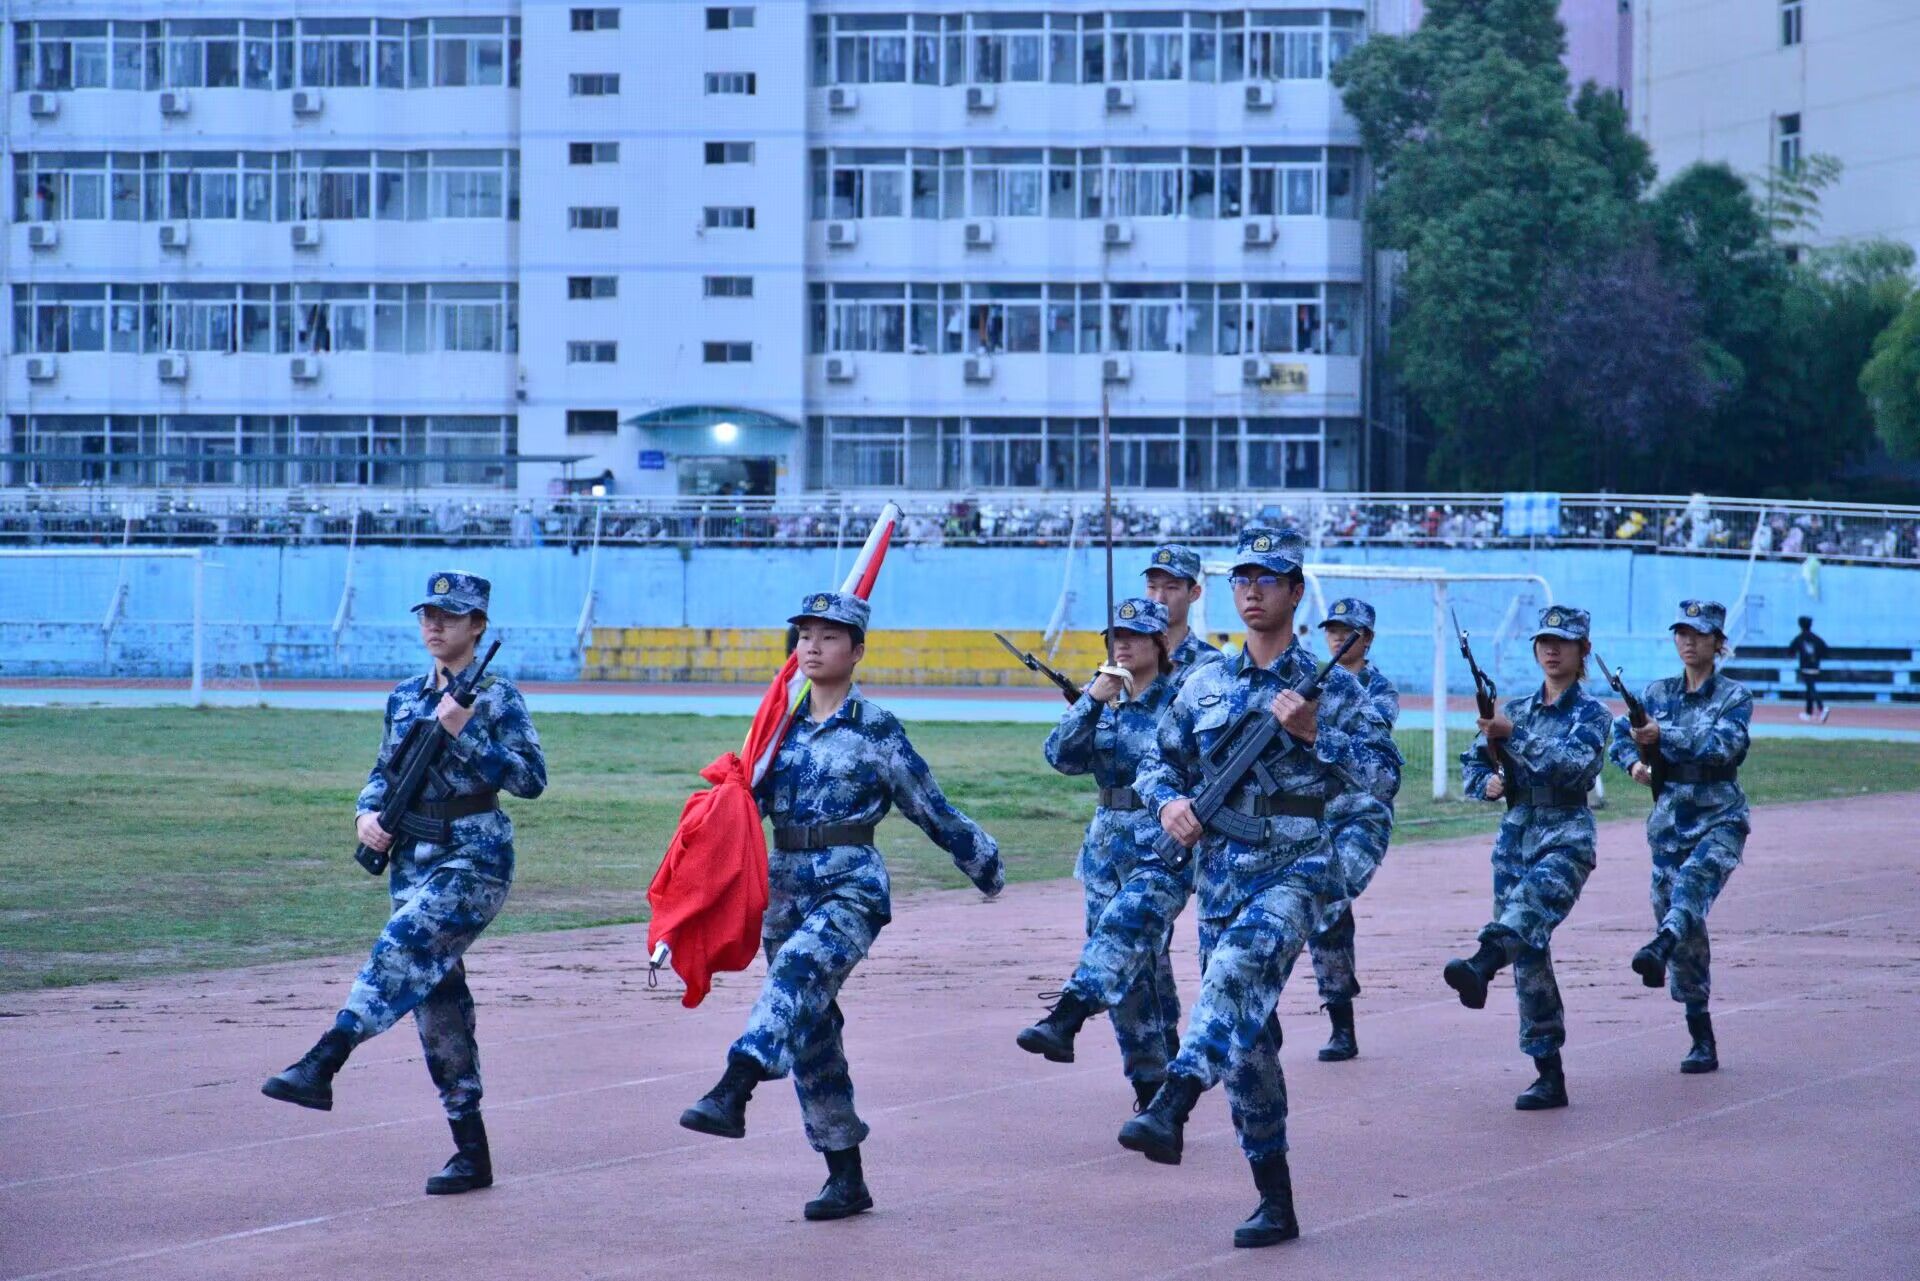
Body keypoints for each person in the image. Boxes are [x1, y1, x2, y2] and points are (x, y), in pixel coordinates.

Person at [677, 591, 1004, 1221]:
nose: (813, 647)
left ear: (856, 652)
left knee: (797, 973)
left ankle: (735, 1084)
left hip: (849, 887)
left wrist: (984, 863)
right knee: (811, 1031)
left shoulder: (875, 729)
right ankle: (845, 1176)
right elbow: (741, 812)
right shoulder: (775, 727)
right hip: (784, 892)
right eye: (805, 635)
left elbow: (928, 806)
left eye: (829, 637)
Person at [1119, 527, 1392, 1249]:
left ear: (1296, 591)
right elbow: (1156, 764)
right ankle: (1275, 1197)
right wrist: (1168, 805)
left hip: (1296, 867)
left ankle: (1173, 1098)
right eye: (1242, 578)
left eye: (1268, 578)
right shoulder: (1206, 681)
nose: (1252, 590)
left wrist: (1314, 734)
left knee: (1234, 974)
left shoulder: (1338, 687)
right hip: (1220, 876)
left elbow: (1383, 776)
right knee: (1245, 1044)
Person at [262, 572, 547, 1195]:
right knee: (437, 1001)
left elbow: (531, 780)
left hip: (475, 857)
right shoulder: (402, 697)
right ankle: (471, 1152)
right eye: (428, 615)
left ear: (478, 626)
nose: (435, 625)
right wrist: (365, 814)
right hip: (412, 857)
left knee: (402, 946)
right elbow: (383, 771)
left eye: (450, 615)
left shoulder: (497, 697)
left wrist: (466, 731)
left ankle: (325, 1057)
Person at [1017, 598, 1190, 1111]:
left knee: (1121, 946)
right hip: (1104, 851)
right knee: (1132, 971)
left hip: (1160, 846)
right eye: (1115, 636)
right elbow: (1060, 756)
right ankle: (1153, 1084)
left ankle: (1069, 1022)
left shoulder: (1180, 704)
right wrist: (1091, 700)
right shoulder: (1103, 700)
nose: (1122, 644)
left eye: (1134, 635)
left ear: (1160, 643)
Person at [1442, 606, 1610, 1112]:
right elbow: (1473, 761)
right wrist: (1487, 783)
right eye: (1543, 641)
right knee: (1529, 953)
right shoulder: (1515, 709)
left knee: (1526, 914)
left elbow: (1573, 767)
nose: (1551, 650)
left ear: (1583, 649)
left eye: (1563, 641)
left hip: (1566, 836)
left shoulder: (1592, 714)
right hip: (1515, 838)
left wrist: (1512, 734)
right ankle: (1548, 1073)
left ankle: (1480, 963)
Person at [1611, 600, 1752, 1074]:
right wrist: (1634, 763)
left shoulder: (1734, 696)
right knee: (1678, 920)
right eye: (1682, 633)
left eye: (1699, 634)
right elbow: (1620, 735)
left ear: (1718, 642)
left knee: (1689, 892)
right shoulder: (1656, 693)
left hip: (1720, 819)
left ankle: (1660, 947)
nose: (1688, 642)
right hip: (1670, 825)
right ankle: (1699, 1031)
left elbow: (1722, 747)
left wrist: (1660, 736)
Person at [1284, 598, 1402, 1062]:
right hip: (1315, 815)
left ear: (1366, 639)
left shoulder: (1378, 690)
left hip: (1363, 815)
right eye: (1332, 629)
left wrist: (1312, 724)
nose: (1337, 637)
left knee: (1328, 898)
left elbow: (1368, 735)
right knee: (1326, 913)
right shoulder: (1311, 682)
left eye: (1347, 631)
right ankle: (1341, 1023)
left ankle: (1338, 1021)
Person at [1140, 543, 1222, 691]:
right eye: (1152, 587)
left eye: (1171, 587)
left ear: (1194, 593)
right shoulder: (1130, 655)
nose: (1159, 599)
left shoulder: (1210, 663)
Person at [1791, 615, 1830, 723]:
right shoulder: (1816, 638)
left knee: (1811, 688)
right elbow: (1825, 649)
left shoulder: (1799, 638)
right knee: (1809, 689)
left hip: (1805, 667)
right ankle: (1809, 713)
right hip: (1815, 667)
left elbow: (1791, 650)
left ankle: (1822, 708)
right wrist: (1817, 657)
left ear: (1800, 625)